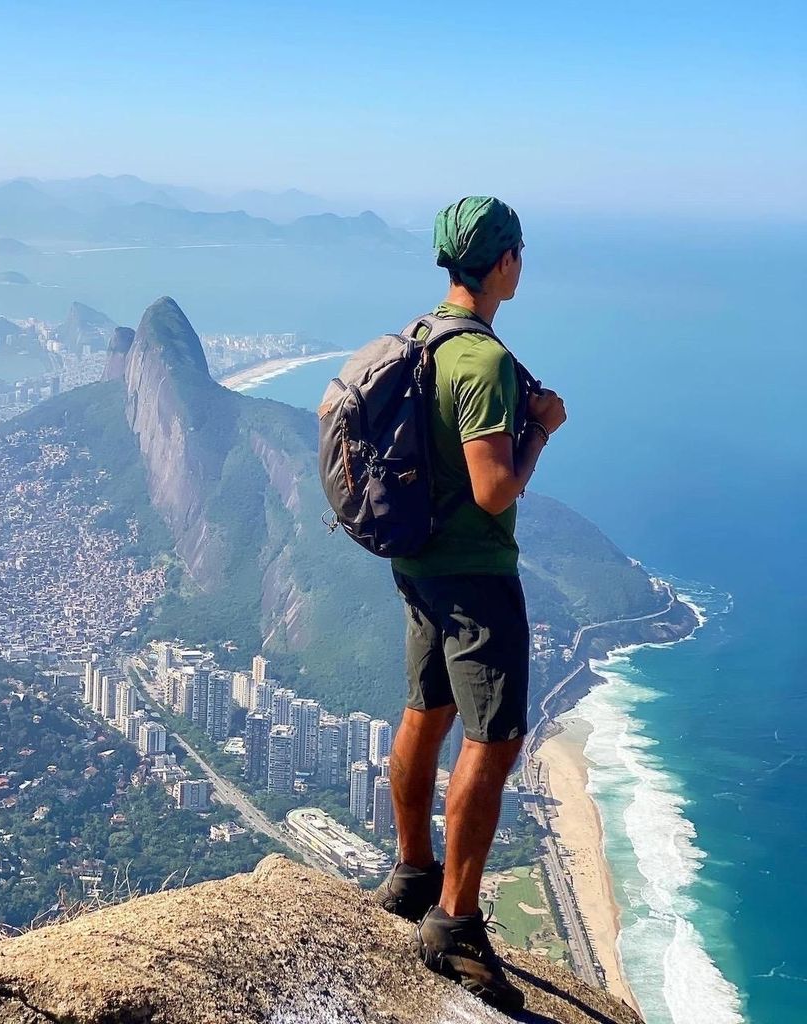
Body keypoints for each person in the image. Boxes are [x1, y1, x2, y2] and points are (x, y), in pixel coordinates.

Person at [373, 196, 567, 1012]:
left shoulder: (423, 335)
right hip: (475, 578)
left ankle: (411, 871)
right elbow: (492, 490)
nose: (522, 262)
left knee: (426, 710)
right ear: (502, 263)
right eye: (518, 251)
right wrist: (542, 430)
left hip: (417, 564)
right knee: (495, 742)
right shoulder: (480, 361)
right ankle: (453, 922)